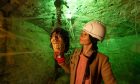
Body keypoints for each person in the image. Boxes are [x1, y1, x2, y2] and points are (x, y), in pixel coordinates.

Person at [51, 21, 116, 84]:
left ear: (93, 38)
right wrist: (61, 61)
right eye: (82, 33)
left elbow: (110, 82)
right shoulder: (76, 53)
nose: (81, 35)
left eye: (85, 34)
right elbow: (71, 72)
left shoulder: (102, 60)